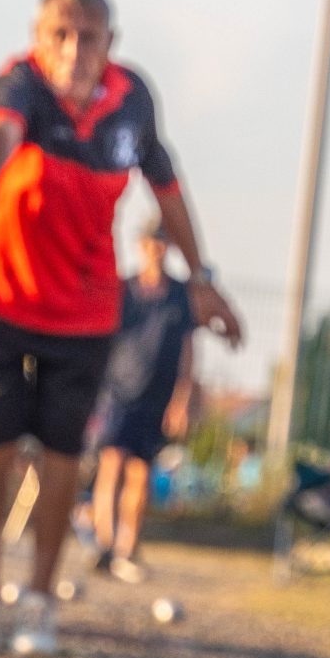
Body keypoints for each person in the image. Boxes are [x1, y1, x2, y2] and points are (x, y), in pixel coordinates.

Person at [0, 0, 239, 655]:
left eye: (87, 37)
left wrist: (203, 278)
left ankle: (37, 599)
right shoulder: (19, 85)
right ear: (37, 40)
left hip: (84, 304)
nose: (72, 50)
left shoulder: (133, 102)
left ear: (109, 44)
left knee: (64, 450)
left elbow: (167, 186)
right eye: (58, 36)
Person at [88, 221, 226, 579]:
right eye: (151, 241)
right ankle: (104, 544)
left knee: (140, 472)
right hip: (117, 391)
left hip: (158, 395)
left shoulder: (181, 295)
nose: (156, 248)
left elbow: (187, 349)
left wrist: (182, 398)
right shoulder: (125, 289)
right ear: (140, 245)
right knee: (111, 465)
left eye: (163, 242)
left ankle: (128, 548)